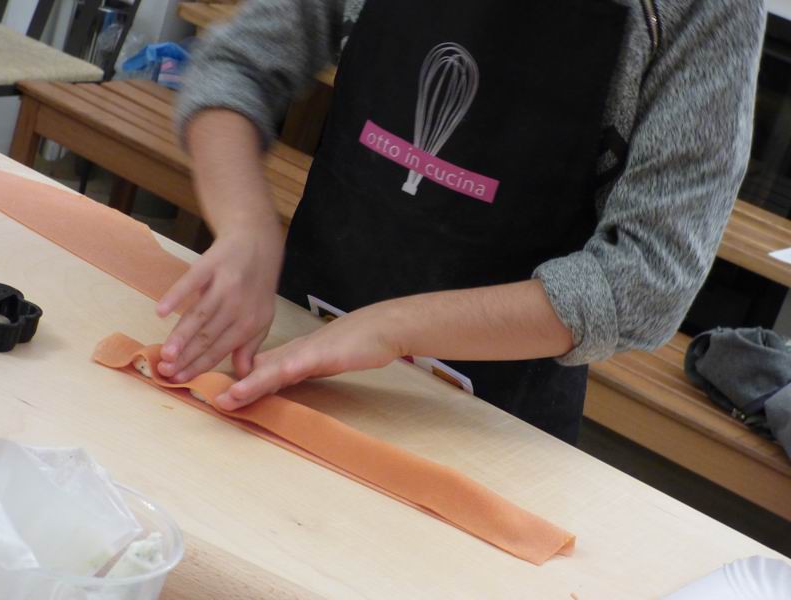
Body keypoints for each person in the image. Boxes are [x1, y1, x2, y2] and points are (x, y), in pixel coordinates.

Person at [155, 0, 766, 444]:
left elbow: (647, 280)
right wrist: (245, 227)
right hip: (282, 353)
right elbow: (233, 67)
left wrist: (393, 328)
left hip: (481, 424)